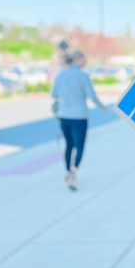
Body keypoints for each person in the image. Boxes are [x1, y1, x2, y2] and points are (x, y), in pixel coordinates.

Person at [50, 50, 105, 190]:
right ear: (78, 60)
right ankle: (73, 172)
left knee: (69, 145)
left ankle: (68, 172)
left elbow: (54, 94)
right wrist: (103, 107)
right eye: (84, 59)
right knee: (79, 147)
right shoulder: (83, 76)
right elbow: (92, 96)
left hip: (64, 116)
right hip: (79, 117)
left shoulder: (60, 75)